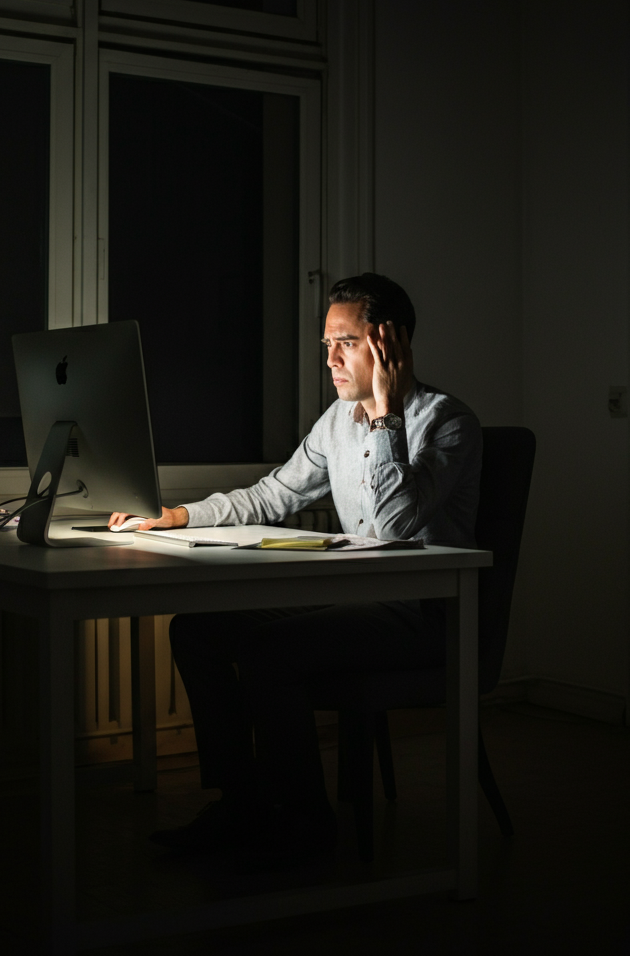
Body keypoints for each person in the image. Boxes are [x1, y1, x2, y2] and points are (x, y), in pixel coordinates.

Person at [108, 273, 481, 867]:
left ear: (392, 342)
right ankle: (243, 804)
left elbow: (392, 525)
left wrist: (385, 411)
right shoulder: (335, 422)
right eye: (325, 344)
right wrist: (177, 514)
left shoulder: (449, 423)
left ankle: (304, 824)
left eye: (347, 342)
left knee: (266, 650)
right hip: (354, 601)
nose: (330, 358)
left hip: (421, 613)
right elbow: (270, 496)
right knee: (197, 631)